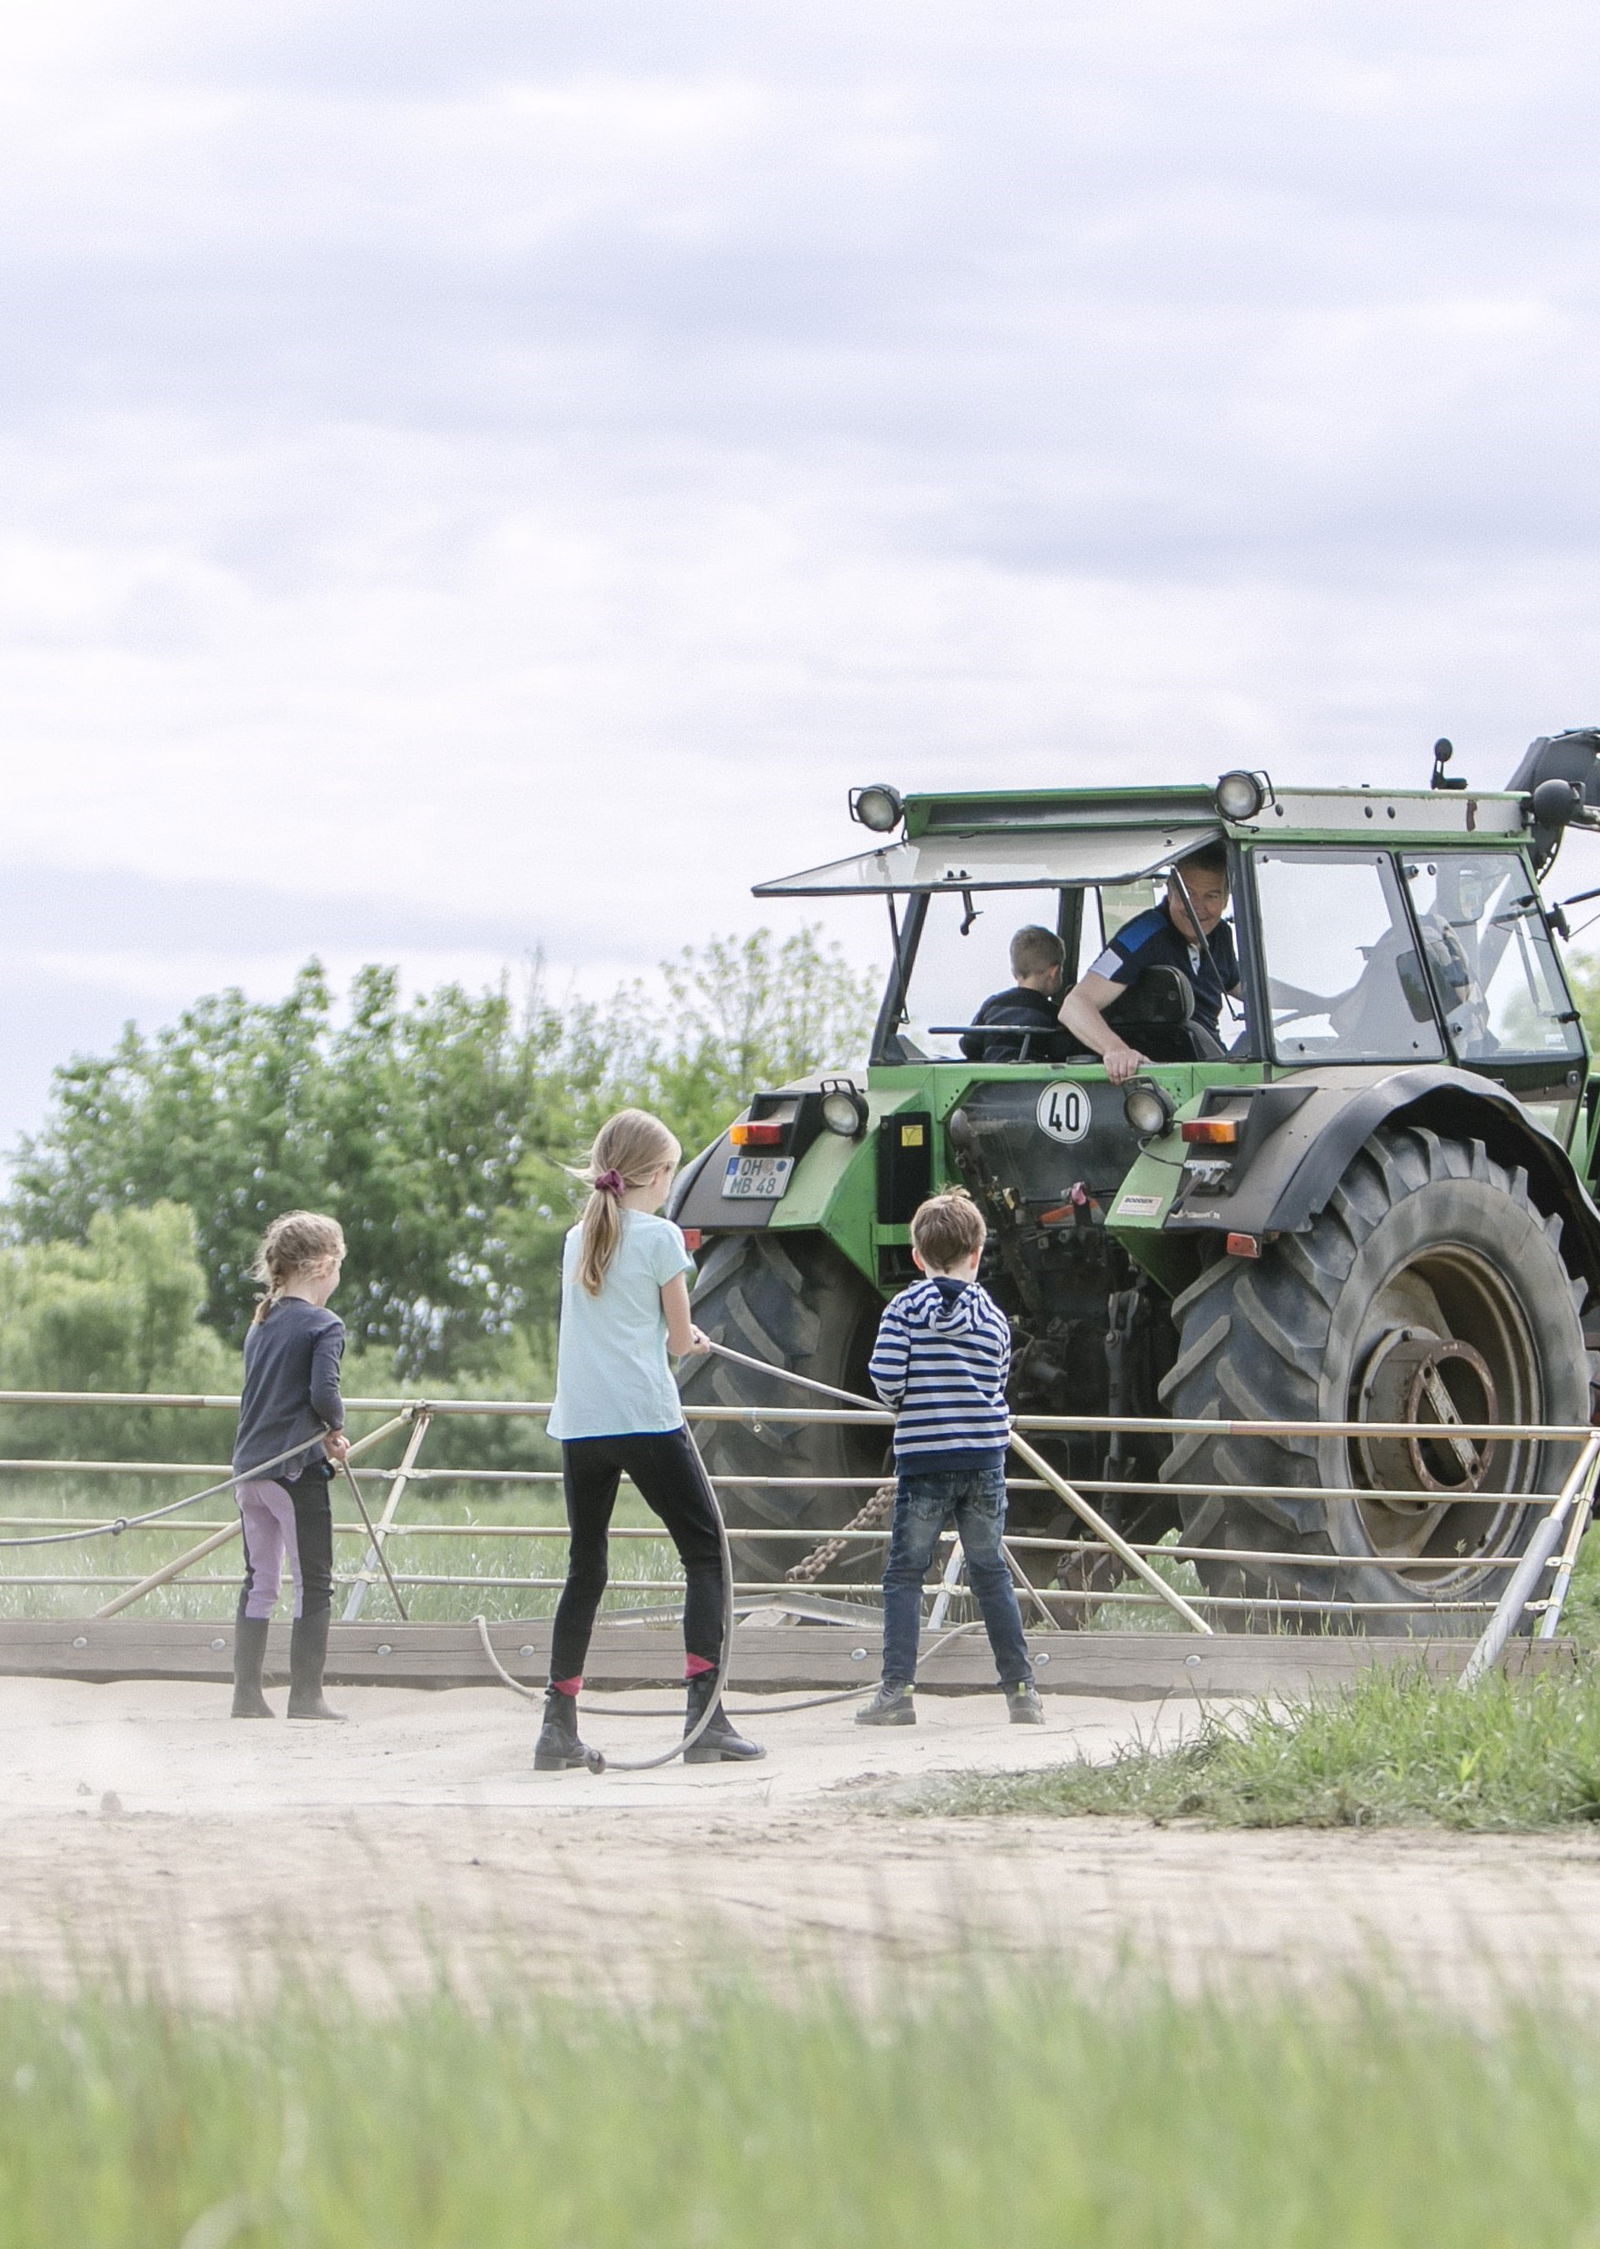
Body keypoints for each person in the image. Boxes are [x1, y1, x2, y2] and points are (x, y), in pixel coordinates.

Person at [538, 1108, 763, 1771]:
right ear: (659, 1173)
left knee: (586, 1567)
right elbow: (679, 1339)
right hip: (643, 1415)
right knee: (706, 1554)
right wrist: (693, 1339)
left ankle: (557, 1725)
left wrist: (675, 1333)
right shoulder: (662, 1237)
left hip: (581, 1422)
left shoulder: (578, 1238)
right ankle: (705, 1715)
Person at [857, 1189, 1044, 1728]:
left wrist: (909, 1399)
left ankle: (897, 1693)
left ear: (917, 1256)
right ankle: (1022, 1692)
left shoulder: (903, 1310)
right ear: (977, 1253)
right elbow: (997, 1380)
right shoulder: (993, 1316)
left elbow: (886, 1380)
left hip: (924, 1463)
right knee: (990, 1572)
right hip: (984, 1460)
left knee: (905, 1574)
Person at [229, 1210, 352, 1722]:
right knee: (313, 1581)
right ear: (324, 1265)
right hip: (294, 1470)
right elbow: (324, 1392)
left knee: (260, 1580)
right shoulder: (325, 1324)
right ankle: (306, 1696)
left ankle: (246, 1696)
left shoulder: (262, 1322)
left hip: (249, 1471)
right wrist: (335, 1427)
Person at [1058, 843, 1241, 1083]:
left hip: (1211, 1065)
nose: (1197, 907)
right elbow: (1074, 1006)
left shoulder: (1221, 934)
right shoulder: (1142, 935)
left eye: (1211, 896)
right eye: (1187, 894)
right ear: (1170, 891)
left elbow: (1246, 988)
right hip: (1162, 1078)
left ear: (1225, 900)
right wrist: (1116, 1050)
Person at [960, 925, 1074, 1062]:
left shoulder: (993, 1004)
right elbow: (1064, 1051)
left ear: (1014, 971)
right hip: (1032, 1075)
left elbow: (969, 1046)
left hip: (992, 1074)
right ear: (1054, 972)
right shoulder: (1053, 1014)